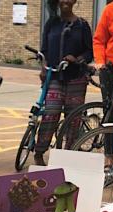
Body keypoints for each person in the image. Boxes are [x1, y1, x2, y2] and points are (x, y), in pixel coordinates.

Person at [34, 0, 93, 166]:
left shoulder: (82, 25)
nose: (65, 1)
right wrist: (43, 68)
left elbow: (90, 52)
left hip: (76, 78)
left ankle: (68, 155)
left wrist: (77, 59)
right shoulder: (51, 23)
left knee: (73, 119)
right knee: (50, 114)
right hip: (54, 77)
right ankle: (39, 151)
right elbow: (43, 50)